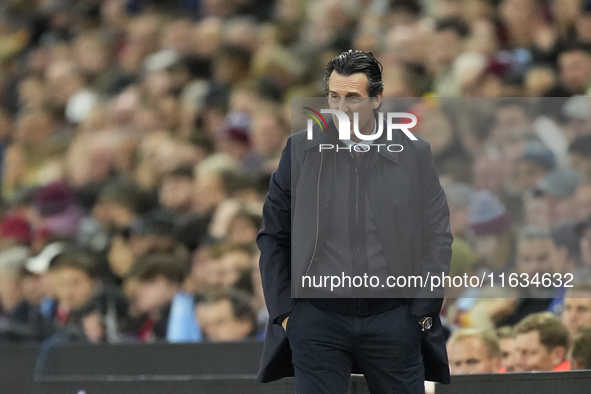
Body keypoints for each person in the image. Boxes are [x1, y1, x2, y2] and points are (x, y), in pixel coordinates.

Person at [257, 50, 453, 393]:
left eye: (353, 98)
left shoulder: (413, 153)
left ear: (376, 100)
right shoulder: (300, 150)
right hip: (316, 318)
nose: (342, 107)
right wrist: (286, 314)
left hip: (394, 317)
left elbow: (437, 236)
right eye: (334, 97)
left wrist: (421, 312)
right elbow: (274, 235)